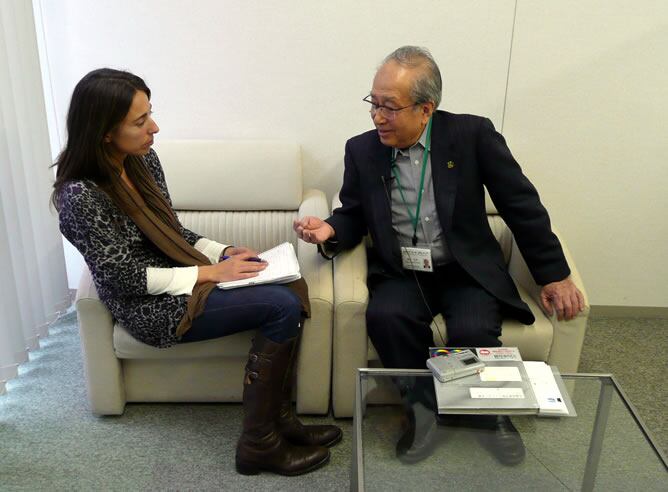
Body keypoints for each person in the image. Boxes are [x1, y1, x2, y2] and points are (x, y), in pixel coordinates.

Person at [294, 46, 584, 465]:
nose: (377, 116)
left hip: (464, 268)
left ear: (426, 108)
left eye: (389, 107)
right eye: (373, 104)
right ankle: (422, 410)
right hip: (401, 271)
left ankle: (488, 414)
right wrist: (331, 229)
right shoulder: (362, 150)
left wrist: (553, 275)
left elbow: (520, 204)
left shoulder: (472, 136)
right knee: (386, 318)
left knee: (473, 329)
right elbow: (353, 212)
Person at [52, 68, 341, 476]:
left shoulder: (141, 160)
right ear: (104, 132)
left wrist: (223, 251)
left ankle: (280, 422)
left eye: (150, 113)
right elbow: (125, 278)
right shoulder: (80, 195)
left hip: (177, 275)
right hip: (147, 307)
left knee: (290, 286)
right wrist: (209, 274)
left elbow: (172, 229)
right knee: (279, 305)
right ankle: (259, 444)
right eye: (139, 122)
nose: (154, 127)